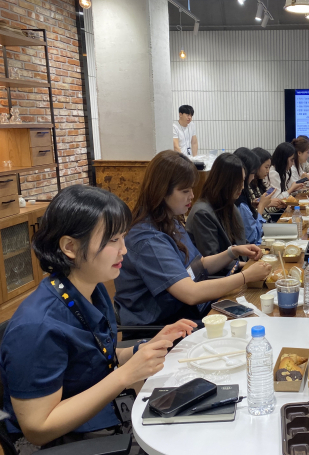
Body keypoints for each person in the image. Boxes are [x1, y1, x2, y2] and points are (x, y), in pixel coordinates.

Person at [0, 185, 197, 450]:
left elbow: (95, 359)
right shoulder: (37, 327)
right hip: (65, 443)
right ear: (70, 246)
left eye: (123, 238)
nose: (124, 250)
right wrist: (125, 375)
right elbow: (38, 428)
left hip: (106, 417)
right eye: (112, 240)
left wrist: (147, 347)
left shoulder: (93, 290)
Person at [114, 151, 271, 333]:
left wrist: (232, 252)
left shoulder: (170, 220)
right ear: (162, 190)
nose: (191, 196)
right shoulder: (148, 239)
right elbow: (191, 293)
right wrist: (245, 277)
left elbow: (198, 265)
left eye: (192, 189)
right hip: (164, 328)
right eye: (185, 191)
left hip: (190, 314)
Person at [186, 153, 248, 277]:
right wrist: (247, 266)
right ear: (224, 182)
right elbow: (212, 261)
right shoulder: (202, 213)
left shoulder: (229, 205)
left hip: (238, 272)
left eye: (243, 181)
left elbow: (242, 242)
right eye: (238, 182)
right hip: (220, 278)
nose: (242, 187)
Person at [233, 148, 268, 245]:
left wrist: (252, 205)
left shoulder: (243, 195)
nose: (253, 177)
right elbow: (253, 238)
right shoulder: (240, 201)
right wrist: (261, 206)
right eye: (252, 173)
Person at [249, 147, 285, 222]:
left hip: (266, 222)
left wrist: (276, 206)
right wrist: (266, 204)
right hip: (261, 226)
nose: (268, 171)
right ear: (256, 166)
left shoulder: (259, 183)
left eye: (269, 167)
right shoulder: (249, 187)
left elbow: (264, 210)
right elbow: (253, 215)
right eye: (266, 167)